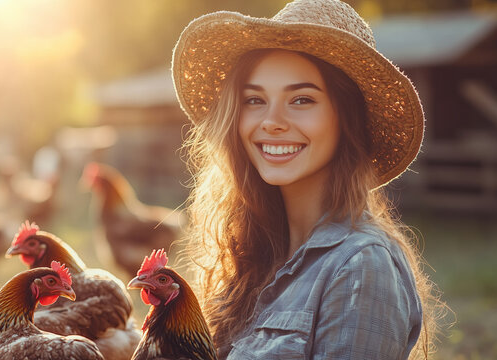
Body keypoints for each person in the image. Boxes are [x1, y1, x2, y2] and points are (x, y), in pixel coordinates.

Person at [172, 0, 445, 359]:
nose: (271, 121)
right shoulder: (252, 257)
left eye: (301, 99)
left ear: (347, 119)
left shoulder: (361, 265)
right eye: (254, 99)